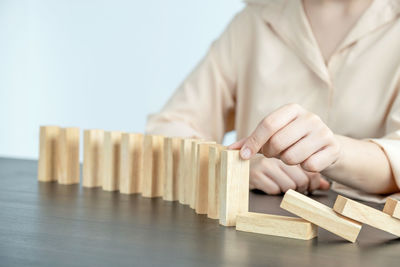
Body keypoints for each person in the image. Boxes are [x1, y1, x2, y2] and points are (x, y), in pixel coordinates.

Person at [146, 0, 400, 201]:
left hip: (371, 242)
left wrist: (334, 152)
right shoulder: (253, 21)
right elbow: (166, 130)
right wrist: (235, 165)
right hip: (255, 238)